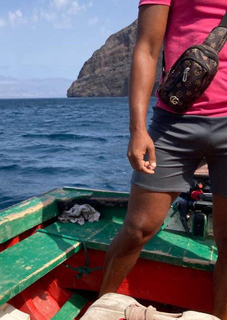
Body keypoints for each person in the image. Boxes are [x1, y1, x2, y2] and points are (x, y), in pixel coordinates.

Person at [99, 1, 227, 319]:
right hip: (174, 120)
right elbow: (147, 46)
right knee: (138, 228)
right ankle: (99, 308)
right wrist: (138, 128)